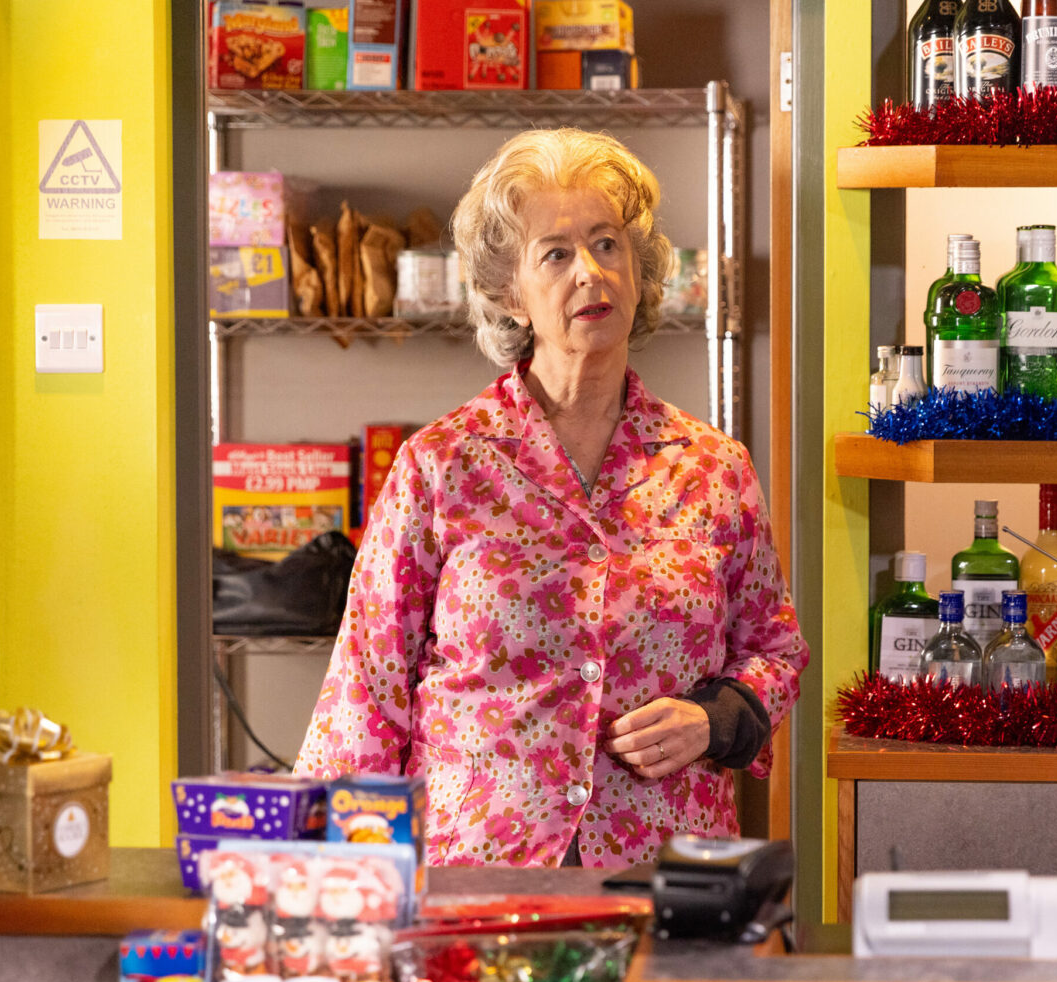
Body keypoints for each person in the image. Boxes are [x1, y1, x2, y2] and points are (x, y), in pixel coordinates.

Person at [293, 128, 807, 868]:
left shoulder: (713, 468)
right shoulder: (440, 468)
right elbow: (365, 692)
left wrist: (716, 718)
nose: (589, 273)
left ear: (639, 271)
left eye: (608, 244)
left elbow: (775, 649)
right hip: (477, 874)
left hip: (661, 867)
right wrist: (337, 891)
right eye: (556, 254)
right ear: (512, 292)